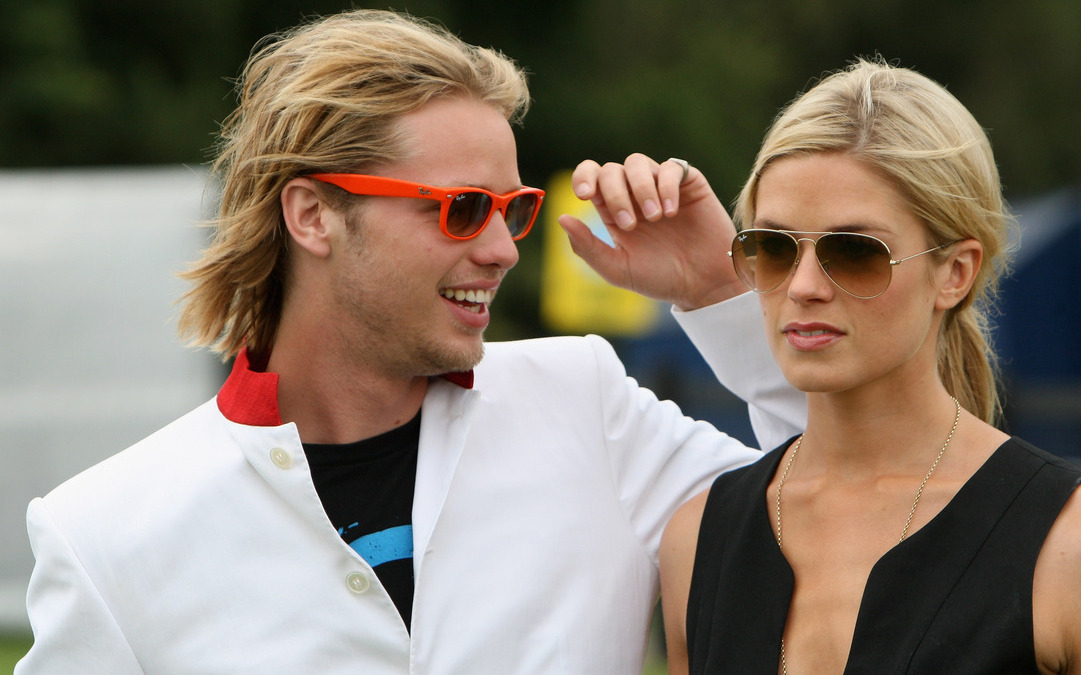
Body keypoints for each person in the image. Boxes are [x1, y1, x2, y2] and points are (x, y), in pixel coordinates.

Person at [16, 10, 805, 674]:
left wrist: (718, 291)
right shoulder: (102, 533)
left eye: (513, 207)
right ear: (313, 215)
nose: (502, 247)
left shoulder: (585, 404)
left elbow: (850, 497)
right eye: (462, 206)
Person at [569, 59, 1081, 674]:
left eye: (855, 252)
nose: (803, 286)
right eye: (773, 248)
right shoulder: (700, 540)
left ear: (955, 272)